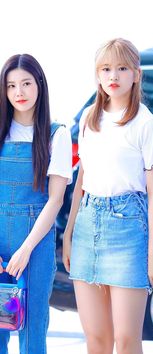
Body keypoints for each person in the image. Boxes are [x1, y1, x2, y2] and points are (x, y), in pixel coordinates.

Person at [63, 38, 153, 354]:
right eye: (106, 68)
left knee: (126, 338)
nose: (113, 76)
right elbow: (82, 178)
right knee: (96, 338)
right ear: (97, 75)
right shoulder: (89, 119)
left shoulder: (147, 124)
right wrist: (68, 234)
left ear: (136, 74)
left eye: (122, 68)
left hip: (128, 229)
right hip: (86, 226)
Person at [0, 53, 72, 354]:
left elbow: (55, 201)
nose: (19, 92)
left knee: (33, 331)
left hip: (36, 245)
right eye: (12, 85)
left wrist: (25, 250)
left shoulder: (57, 135)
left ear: (39, 85)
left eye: (26, 83)